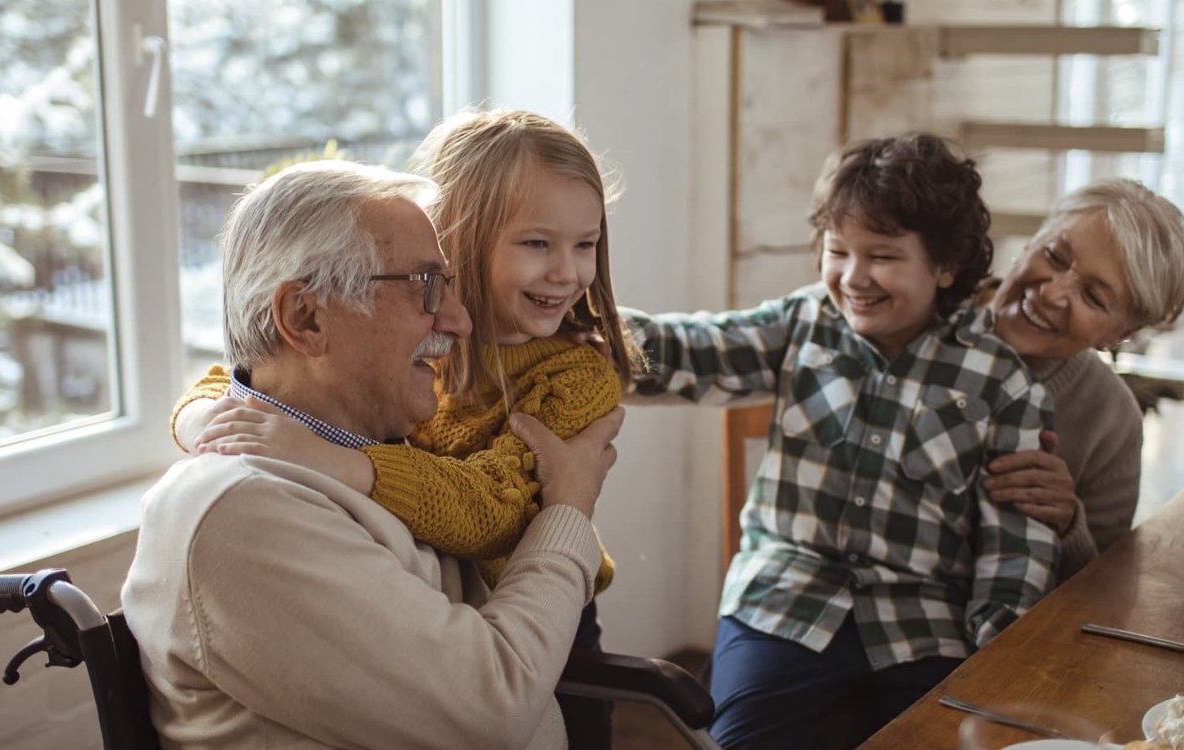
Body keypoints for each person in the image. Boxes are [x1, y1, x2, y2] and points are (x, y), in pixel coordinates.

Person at [170, 109, 640, 749]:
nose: (457, 320)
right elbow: (237, 376)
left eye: (584, 245)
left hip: (550, 604)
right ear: (305, 319)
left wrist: (355, 466)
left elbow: (488, 509)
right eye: (426, 284)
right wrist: (203, 417)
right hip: (514, 625)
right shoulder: (257, 507)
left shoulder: (557, 377)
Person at [622, 134, 1060, 750]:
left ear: (945, 266)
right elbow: (690, 348)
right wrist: (577, 321)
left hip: (925, 623)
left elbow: (1014, 552)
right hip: (784, 600)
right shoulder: (803, 323)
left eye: (882, 256)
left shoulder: (1000, 379)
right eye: (837, 251)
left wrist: (995, 663)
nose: (853, 278)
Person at [980, 178, 1184, 579]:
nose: (1052, 293)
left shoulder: (1113, 418)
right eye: (1055, 256)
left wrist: (1066, 523)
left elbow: (1104, 589)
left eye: (1093, 297)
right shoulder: (916, 315)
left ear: (1118, 336)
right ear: (1033, 240)